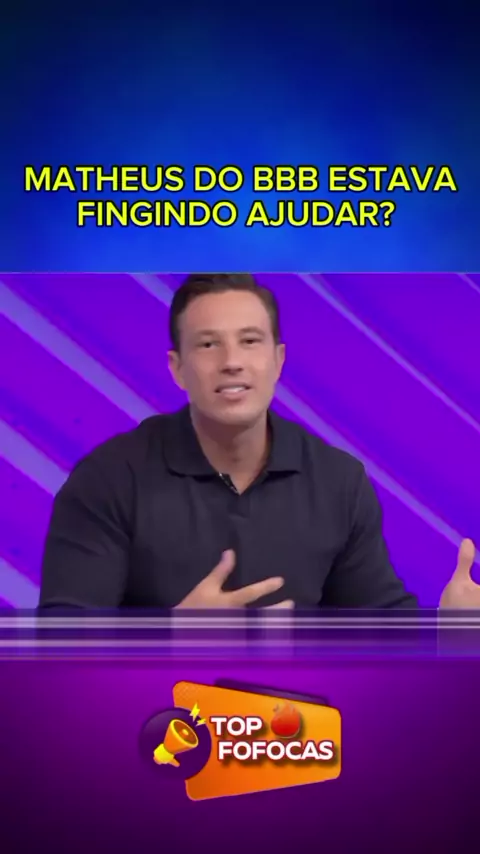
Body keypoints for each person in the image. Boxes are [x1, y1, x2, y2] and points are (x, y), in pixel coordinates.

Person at [39, 274, 478, 610]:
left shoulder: (337, 481)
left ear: (278, 359)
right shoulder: (108, 480)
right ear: (177, 369)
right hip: (156, 705)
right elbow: (62, 647)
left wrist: (448, 632)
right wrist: (173, 639)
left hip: (303, 705)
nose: (232, 362)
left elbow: (378, 630)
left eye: (249, 341)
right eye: (208, 345)